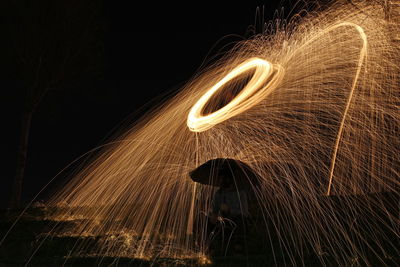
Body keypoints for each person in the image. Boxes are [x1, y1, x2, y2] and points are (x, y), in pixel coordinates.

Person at [207, 168, 249, 255]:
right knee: (207, 220)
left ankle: (238, 249)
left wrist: (230, 210)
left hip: (236, 219)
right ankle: (210, 248)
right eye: (220, 179)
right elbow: (214, 209)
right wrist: (213, 215)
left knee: (241, 220)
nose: (221, 181)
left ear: (230, 179)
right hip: (222, 219)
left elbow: (244, 212)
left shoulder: (240, 193)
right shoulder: (218, 194)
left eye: (223, 179)